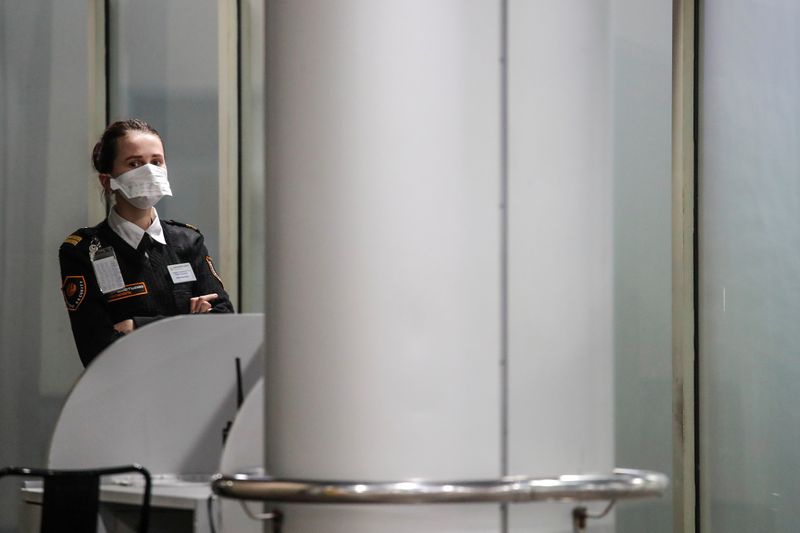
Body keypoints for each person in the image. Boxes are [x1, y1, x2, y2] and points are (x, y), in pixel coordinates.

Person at [59, 119, 234, 366]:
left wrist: (137, 326)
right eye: (134, 163)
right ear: (107, 181)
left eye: (156, 162)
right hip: (125, 392)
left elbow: (224, 321)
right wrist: (189, 322)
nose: (149, 171)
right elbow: (96, 348)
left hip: (193, 386)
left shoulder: (188, 241)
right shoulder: (82, 250)